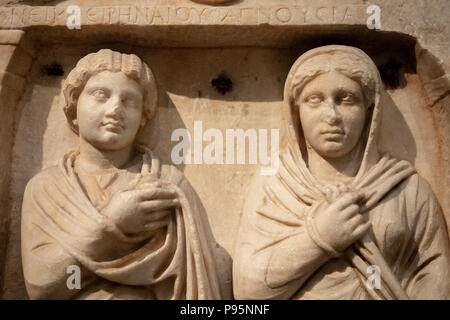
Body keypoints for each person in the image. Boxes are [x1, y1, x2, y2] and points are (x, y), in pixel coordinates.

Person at [233, 45, 450, 300]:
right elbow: (248, 291)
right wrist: (319, 239)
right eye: (315, 100)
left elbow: (435, 273)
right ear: (296, 110)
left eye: (346, 99)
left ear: (370, 109)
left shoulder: (406, 189)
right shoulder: (275, 185)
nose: (332, 115)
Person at [21, 49, 224, 300]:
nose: (115, 108)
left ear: (143, 117)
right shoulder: (48, 188)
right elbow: (42, 287)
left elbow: (201, 282)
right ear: (74, 105)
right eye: (100, 95)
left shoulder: (167, 186)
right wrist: (113, 225)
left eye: (130, 101)